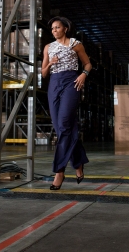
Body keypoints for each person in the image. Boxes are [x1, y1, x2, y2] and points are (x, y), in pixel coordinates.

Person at [41, 16, 91, 191]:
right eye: (52, 28)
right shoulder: (48, 47)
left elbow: (88, 64)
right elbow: (43, 73)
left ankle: (59, 171)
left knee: (63, 124)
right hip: (54, 84)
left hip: (71, 82)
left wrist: (83, 75)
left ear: (65, 28)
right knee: (62, 127)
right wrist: (50, 63)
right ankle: (78, 163)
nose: (54, 30)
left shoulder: (75, 44)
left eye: (57, 27)